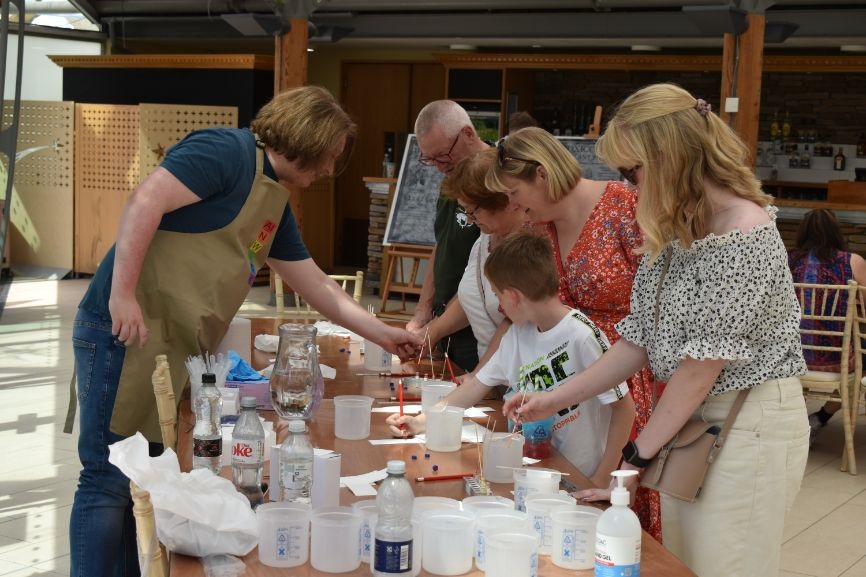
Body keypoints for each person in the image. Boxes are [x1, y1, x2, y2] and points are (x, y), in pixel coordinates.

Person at [67, 85, 420, 577]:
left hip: (164, 342)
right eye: (329, 158)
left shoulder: (274, 204)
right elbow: (145, 200)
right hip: (122, 329)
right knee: (106, 480)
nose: (326, 172)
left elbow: (318, 286)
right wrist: (121, 294)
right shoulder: (225, 152)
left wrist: (383, 333)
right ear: (309, 139)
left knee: (138, 481)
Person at [503, 83, 809, 577]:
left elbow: (699, 369)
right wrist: (554, 398)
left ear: (669, 155)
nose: (631, 186)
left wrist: (634, 459)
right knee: (682, 562)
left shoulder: (745, 231)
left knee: (723, 565)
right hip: (696, 423)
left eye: (633, 171)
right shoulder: (678, 227)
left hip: (748, 422)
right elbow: (637, 342)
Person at [484, 125, 662, 541]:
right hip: (562, 388)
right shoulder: (535, 230)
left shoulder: (623, 206)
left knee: (613, 512)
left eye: (514, 193)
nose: (512, 205)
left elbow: (658, 308)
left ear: (541, 174)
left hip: (623, 383)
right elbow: (517, 318)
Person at [388, 232, 635, 485]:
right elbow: (474, 386)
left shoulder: (582, 336)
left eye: (498, 295)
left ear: (514, 296)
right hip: (536, 468)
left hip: (580, 474)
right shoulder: (517, 335)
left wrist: (603, 477)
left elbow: (625, 409)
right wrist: (420, 422)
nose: (500, 307)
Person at [421, 148, 525, 367]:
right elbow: (473, 297)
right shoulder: (484, 241)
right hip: (489, 376)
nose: (469, 220)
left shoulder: (532, 248)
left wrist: (479, 377)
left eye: (473, 211)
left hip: (517, 381)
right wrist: (431, 333)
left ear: (502, 200)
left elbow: (516, 322)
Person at [407, 100, 488, 372]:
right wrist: (423, 312)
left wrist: (435, 330)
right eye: (429, 159)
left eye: (442, 155)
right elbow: (442, 243)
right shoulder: (450, 179)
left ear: (467, 134)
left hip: (475, 325)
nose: (439, 166)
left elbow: (485, 275)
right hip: (443, 324)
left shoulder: (497, 179)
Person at [788, 208, 866, 440]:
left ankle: (798, 421)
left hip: (791, 356)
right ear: (836, 232)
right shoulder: (852, 261)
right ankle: (820, 418)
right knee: (864, 361)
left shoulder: (787, 261)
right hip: (837, 360)